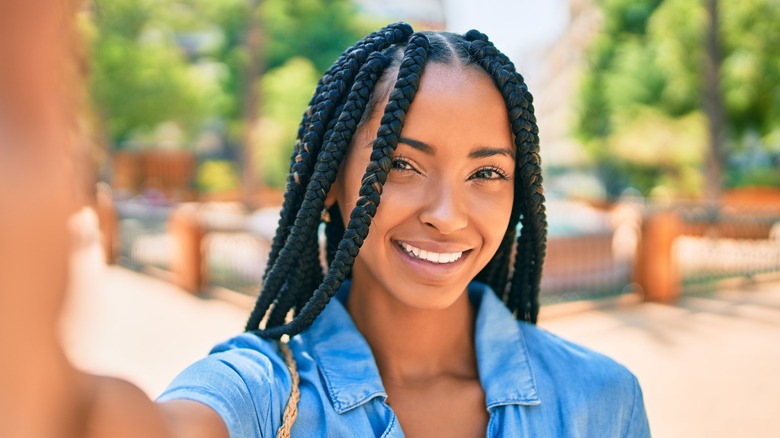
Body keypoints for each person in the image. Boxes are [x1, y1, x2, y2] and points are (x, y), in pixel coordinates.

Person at [0, 19, 650, 438]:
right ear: (332, 182)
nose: (447, 213)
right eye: (401, 164)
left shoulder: (601, 400)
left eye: (486, 175)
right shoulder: (259, 394)